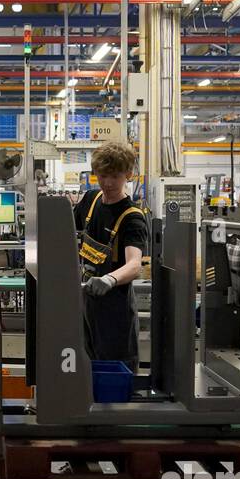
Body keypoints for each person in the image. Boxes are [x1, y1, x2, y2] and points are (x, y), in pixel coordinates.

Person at [73, 141, 148, 366]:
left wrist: (109, 278)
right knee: (86, 369)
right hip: (86, 303)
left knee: (114, 374)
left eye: (115, 176)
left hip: (115, 312)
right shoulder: (90, 200)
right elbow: (65, 235)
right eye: (102, 176)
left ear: (128, 174)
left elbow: (134, 264)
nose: (108, 183)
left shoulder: (132, 217)